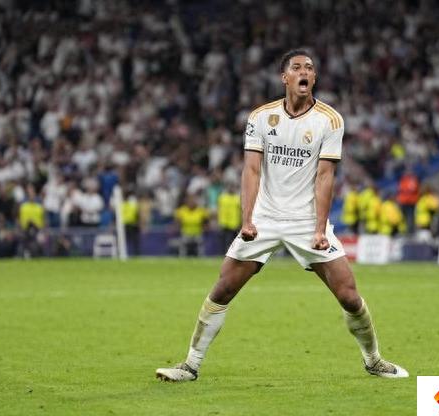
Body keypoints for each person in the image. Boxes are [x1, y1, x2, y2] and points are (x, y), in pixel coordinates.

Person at [156, 50, 408, 382]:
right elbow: (251, 170)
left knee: (348, 295)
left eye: (310, 68)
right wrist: (247, 220)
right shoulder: (261, 117)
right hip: (265, 218)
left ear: (313, 78)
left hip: (306, 221)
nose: (304, 72)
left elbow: (325, 176)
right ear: (284, 77)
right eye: (297, 67)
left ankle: (374, 360)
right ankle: (190, 365)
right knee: (223, 288)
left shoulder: (330, 120)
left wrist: (320, 229)